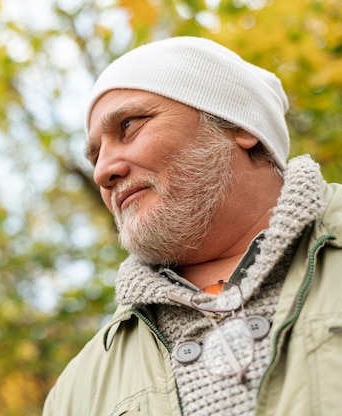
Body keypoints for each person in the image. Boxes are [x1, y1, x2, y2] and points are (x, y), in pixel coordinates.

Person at [43, 36, 342, 416]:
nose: (102, 171)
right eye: (95, 154)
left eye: (129, 125)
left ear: (237, 124)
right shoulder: (76, 394)